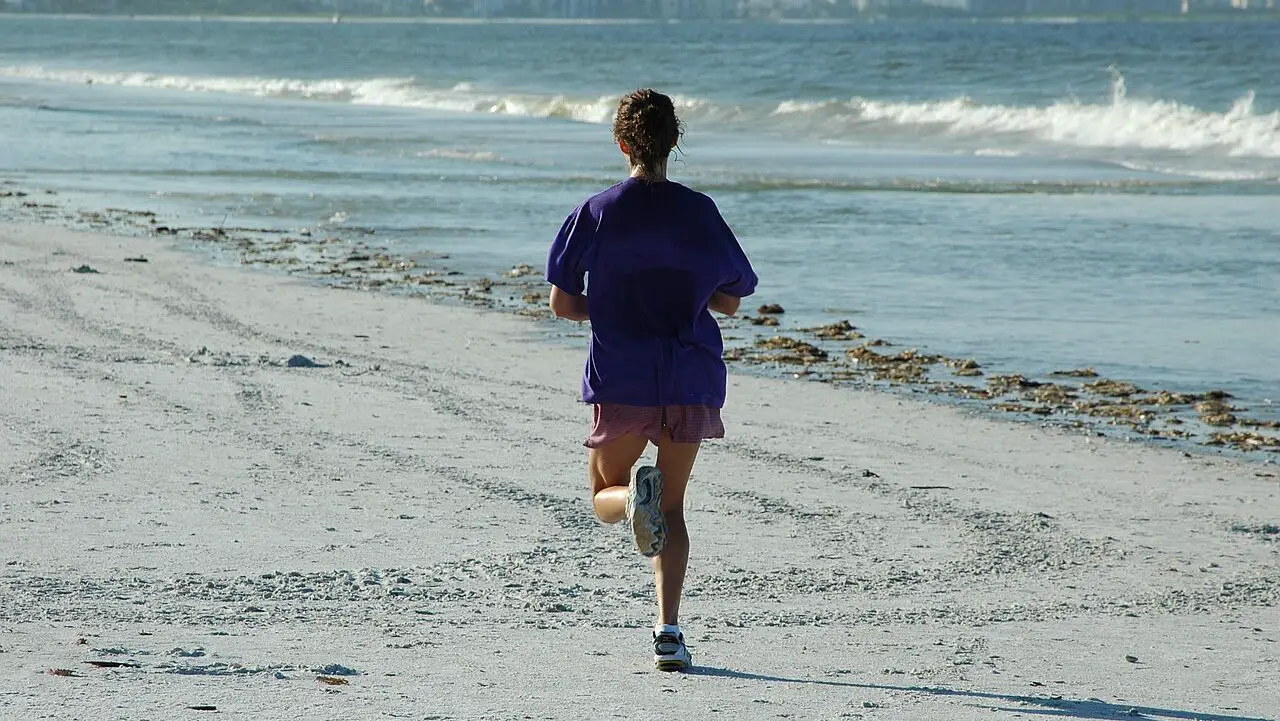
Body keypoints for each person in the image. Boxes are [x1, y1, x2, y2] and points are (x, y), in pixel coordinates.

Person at [544, 88, 758, 672]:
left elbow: (564, 303)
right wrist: (687, 295)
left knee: (603, 495)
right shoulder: (700, 211)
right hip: (689, 375)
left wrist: (614, 306)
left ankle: (630, 499)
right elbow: (733, 299)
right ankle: (668, 631)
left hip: (623, 374)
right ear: (674, 143)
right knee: (675, 508)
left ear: (622, 144)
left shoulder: (597, 211)